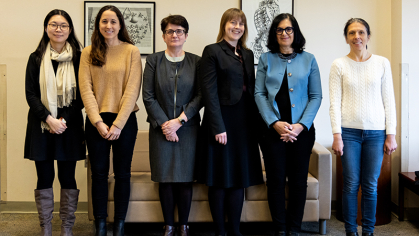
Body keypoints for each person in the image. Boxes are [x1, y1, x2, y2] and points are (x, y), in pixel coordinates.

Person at [197, 8, 264, 236]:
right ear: (224, 25)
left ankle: (235, 231)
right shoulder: (212, 51)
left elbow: (252, 90)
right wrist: (217, 126)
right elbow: (209, 92)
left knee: (238, 177)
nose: (237, 27)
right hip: (222, 120)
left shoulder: (247, 54)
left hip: (244, 123)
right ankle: (220, 231)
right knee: (219, 178)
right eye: (232, 22)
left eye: (241, 24)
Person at [254, 13, 322, 236]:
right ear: (275, 34)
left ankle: (294, 228)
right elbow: (259, 93)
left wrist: (300, 126)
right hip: (272, 131)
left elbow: (316, 96)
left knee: (298, 181)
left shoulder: (309, 59)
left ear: (295, 32)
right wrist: (274, 122)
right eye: (280, 30)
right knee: (275, 180)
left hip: (301, 132)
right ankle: (280, 229)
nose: (284, 33)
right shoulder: (266, 59)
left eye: (288, 29)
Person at [329, 18, 397, 236]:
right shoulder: (338, 64)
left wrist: (391, 134)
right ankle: (351, 231)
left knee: (370, 185)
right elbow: (334, 104)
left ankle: (368, 231)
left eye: (360, 32)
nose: (356, 36)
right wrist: (337, 135)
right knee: (350, 185)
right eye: (351, 33)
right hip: (348, 134)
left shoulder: (382, 63)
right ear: (346, 37)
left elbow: (389, 101)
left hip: (376, 134)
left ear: (368, 35)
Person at [79, 5, 142, 236]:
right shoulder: (87, 52)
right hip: (96, 121)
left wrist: (117, 125)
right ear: (98, 25)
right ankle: (101, 226)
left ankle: (120, 225)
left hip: (124, 121)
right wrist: (97, 122)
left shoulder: (131, 52)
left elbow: (132, 89)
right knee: (98, 174)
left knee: (123, 174)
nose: (109, 26)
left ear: (120, 25)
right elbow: (86, 90)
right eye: (104, 21)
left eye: (113, 21)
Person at [24, 9, 85, 236]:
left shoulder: (80, 57)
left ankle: (66, 229)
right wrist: (50, 119)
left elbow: (82, 95)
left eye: (63, 25)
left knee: (67, 176)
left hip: (69, 128)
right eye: (53, 24)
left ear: (70, 30)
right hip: (42, 126)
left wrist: (62, 121)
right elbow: (30, 94)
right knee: (45, 176)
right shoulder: (36, 57)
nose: (58, 29)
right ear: (46, 28)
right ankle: (46, 229)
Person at [142, 15, 201, 236]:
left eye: (179, 31)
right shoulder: (153, 60)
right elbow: (148, 96)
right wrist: (166, 125)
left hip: (188, 129)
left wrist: (179, 121)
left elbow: (200, 95)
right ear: (164, 35)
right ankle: (168, 225)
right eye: (169, 31)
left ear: (186, 35)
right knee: (165, 179)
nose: (174, 35)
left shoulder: (197, 61)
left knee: (185, 179)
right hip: (160, 129)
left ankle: (184, 225)